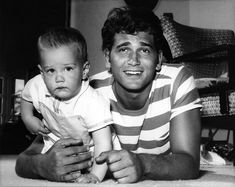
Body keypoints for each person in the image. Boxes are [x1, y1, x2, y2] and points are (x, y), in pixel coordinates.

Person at [15, 7, 202, 183]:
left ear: (159, 59)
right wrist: (42, 165)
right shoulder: (87, 91)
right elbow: (25, 159)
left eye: (144, 50)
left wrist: (144, 164)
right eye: (123, 49)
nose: (133, 60)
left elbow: (190, 164)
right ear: (107, 58)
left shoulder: (177, 81)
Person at [19, 27, 114, 183]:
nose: (59, 78)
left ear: (84, 71)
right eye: (50, 71)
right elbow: (26, 97)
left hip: (90, 151)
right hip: (56, 142)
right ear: (42, 73)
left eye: (68, 69)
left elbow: (103, 142)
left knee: (108, 164)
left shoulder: (92, 102)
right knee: (51, 165)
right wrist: (28, 118)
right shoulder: (37, 84)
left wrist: (95, 175)